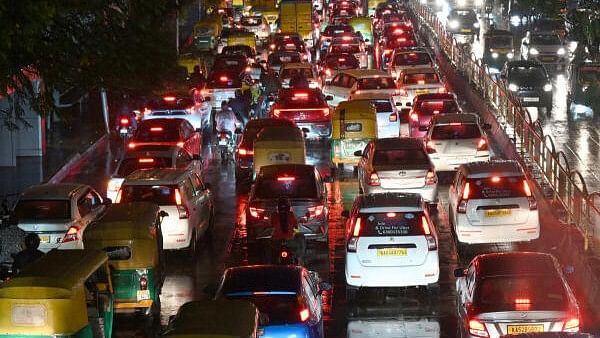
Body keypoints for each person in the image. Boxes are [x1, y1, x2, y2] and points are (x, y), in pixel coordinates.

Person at [270, 196, 306, 265]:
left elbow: (271, 225)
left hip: (277, 243)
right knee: (301, 237)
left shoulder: (274, 215)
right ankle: (300, 259)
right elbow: (296, 227)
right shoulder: (291, 215)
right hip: (290, 242)